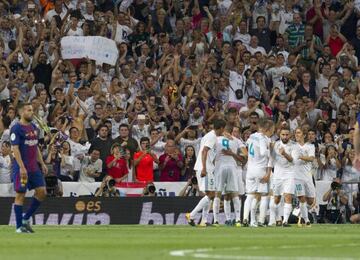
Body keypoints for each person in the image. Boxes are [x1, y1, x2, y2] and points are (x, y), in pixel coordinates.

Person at [10, 103, 48, 233]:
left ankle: (26, 219)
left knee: (42, 192)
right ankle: (19, 227)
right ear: (21, 112)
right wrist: (21, 167)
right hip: (21, 167)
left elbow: (35, 146)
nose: (32, 112)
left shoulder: (34, 127)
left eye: (32, 110)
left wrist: (42, 163)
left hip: (33, 167)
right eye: (29, 110)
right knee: (21, 194)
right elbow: (15, 149)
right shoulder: (16, 128)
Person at [186, 119, 226, 226]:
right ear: (221, 128)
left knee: (210, 194)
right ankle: (192, 215)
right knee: (211, 194)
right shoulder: (212, 137)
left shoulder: (210, 136)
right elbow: (204, 151)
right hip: (205, 168)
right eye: (224, 129)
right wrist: (204, 168)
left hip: (207, 167)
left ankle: (203, 221)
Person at [243, 118, 274, 227]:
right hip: (260, 169)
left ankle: (246, 219)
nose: (272, 132)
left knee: (250, 195)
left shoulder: (251, 136)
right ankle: (260, 220)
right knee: (264, 196)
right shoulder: (263, 138)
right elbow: (263, 152)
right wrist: (271, 149)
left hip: (250, 169)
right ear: (267, 129)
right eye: (272, 129)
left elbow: (247, 147)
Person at [213, 124, 244, 227]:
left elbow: (212, 154)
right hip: (232, 167)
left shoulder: (216, 139)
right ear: (231, 131)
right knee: (234, 193)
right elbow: (244, 155)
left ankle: (216, 221)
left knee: (218, 193)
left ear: (223, 130)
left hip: (220, 167)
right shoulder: (236, 141)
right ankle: (238, 220)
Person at [269, 127, 295, 227]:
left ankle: (285, 221)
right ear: (280, 135)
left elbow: (293, 160)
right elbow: (270, 159)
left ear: (290, 135)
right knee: (276, 199)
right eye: (283, 134)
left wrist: (284, 153)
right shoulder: (275, 144)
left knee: (288, 197)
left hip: (289, 174)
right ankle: (276, 218)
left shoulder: (294, 145)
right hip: (277, 175)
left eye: (287, 134)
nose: (285, 136)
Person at [293, 127, 317, 227]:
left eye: (299, 133)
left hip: (308, 176)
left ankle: (299, 210)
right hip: (297, 177)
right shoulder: (293, 146)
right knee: (302, 198)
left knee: (311, 200)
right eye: (295, 133)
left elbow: (311, 158)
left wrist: (300, 156)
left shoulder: (310, 146)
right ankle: (306, 220)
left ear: (304, 135)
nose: (297, 135)